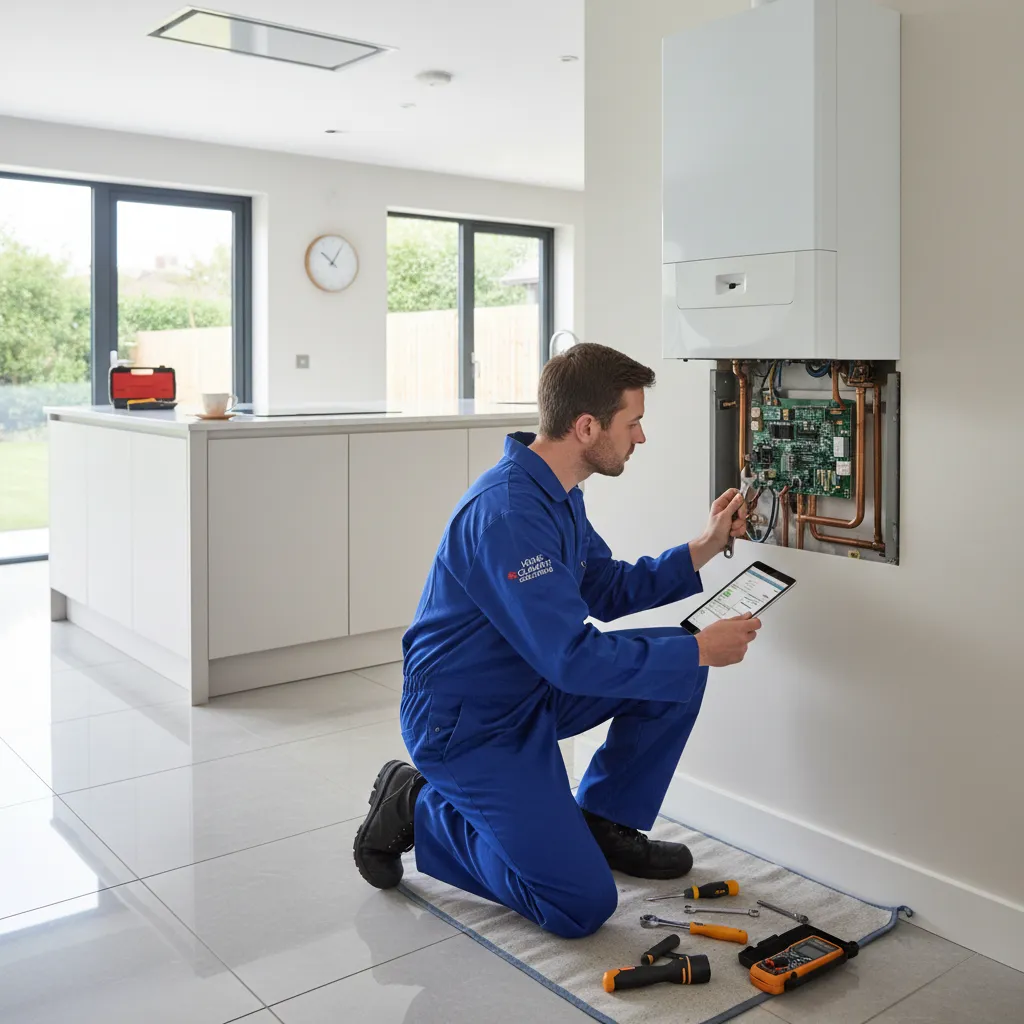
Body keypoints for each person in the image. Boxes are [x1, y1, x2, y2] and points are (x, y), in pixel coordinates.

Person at [353, 342, 760, 939]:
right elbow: (572, 659)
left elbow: (605, 586)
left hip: (529, 691)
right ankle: (419, 806)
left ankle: (602, 822)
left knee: (675, 672)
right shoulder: (511, 514)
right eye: (634, 422)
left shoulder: (558, 491)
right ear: (587, 426)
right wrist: (699, 646)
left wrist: (703, 545)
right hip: (468, 723)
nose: (640, 438)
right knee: (580, 906)